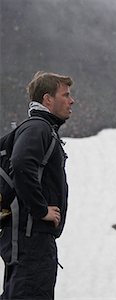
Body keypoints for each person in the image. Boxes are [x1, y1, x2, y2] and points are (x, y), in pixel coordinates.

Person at [0, 71, 75, 299]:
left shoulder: (40, 129)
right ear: (47, 99)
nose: (72, 101)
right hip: (31, 240)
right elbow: (21, 164)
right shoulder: (38, 128)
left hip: (26, 239)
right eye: (66, 95)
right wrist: (41, 210)